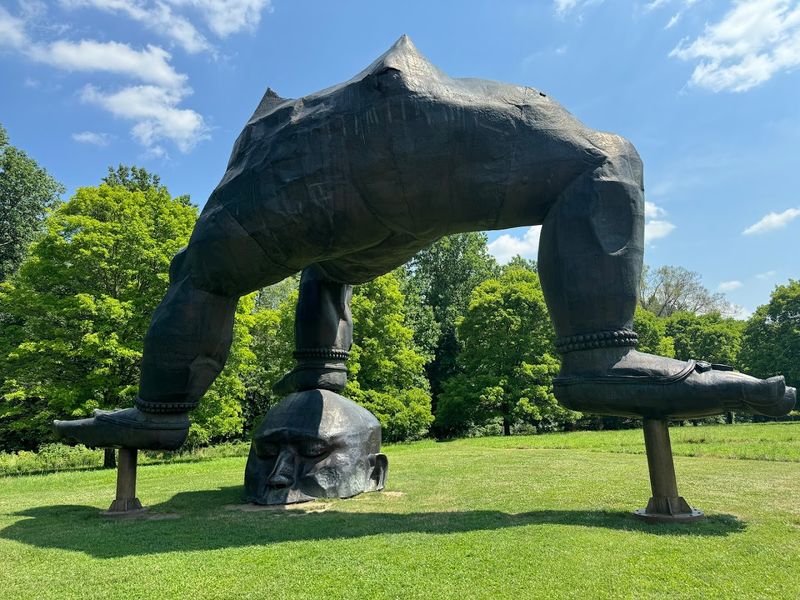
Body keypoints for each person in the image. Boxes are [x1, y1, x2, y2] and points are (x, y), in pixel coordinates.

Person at [54, 36, 795, 450]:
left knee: (256, 273)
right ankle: (599, 352)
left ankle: (173, 409)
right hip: (390, 141)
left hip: (297, 183)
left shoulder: (259, 168)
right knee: (604, 157)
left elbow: (206, 278)